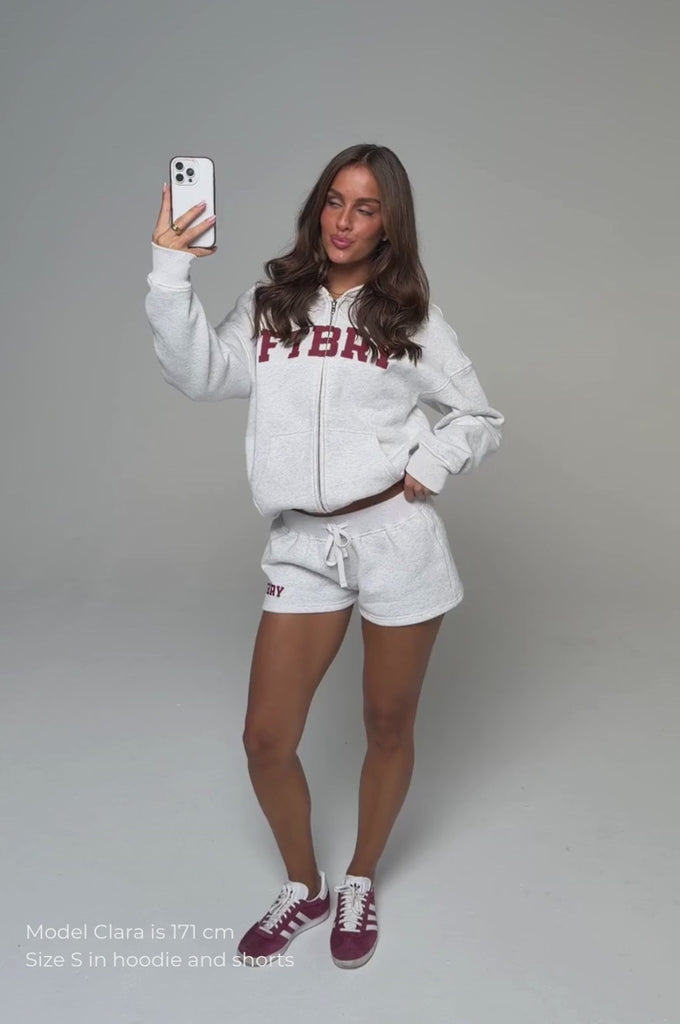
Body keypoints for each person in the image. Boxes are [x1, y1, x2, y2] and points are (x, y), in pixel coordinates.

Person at [144, 143, 504, 970]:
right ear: (318, 208)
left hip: (395, 539)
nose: (344, 221)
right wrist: (170, 269)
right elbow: (200, 374)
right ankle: (303, 887)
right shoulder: (273, 304)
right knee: (265, 739)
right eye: (335, 201)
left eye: (365, 208)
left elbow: (478, 417)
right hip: (303, 545)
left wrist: (434, 460)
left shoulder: (410, 317)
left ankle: (360, 878)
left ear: (389, 224)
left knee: (387, 723)